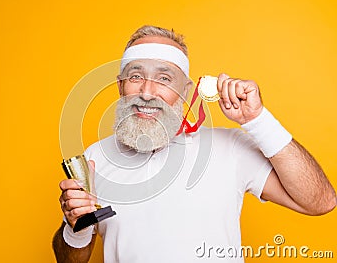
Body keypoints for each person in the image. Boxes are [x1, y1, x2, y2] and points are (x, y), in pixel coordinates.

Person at [52, 25, 336, 263]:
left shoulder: (230, 147)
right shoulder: (96, 158)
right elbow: (70, 259)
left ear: (186, 90)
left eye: (164, 79)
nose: (147, 92)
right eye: (136, 76)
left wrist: (257, 119)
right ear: (120, 85)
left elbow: (320, 202)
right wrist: (75, 226)